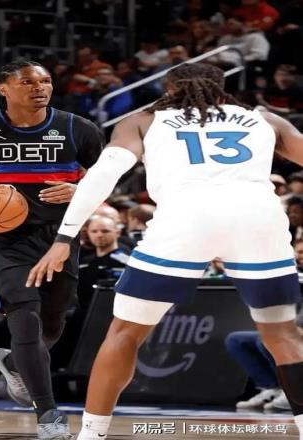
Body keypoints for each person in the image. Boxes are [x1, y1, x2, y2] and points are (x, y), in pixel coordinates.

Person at [27, 62, 303, 440]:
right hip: (259, 220)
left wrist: (64, 238)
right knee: (282, 334)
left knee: (124, 333)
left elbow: (103, 175)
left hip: (184, 222)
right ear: (222, 89)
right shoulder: (264, 119)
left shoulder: (144, 120)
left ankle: (92, 435)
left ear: (168, 90)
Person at [0, 60, 104, 439]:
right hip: (1, 238)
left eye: (45, 81)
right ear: (4, 89)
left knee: (53, 321)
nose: (39, 87)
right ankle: (48, 415)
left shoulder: (78, 128)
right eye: (27, 82)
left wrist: (82, 189)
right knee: (24, 315)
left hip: (60, 234)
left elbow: (109, 175)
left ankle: (14, 363)